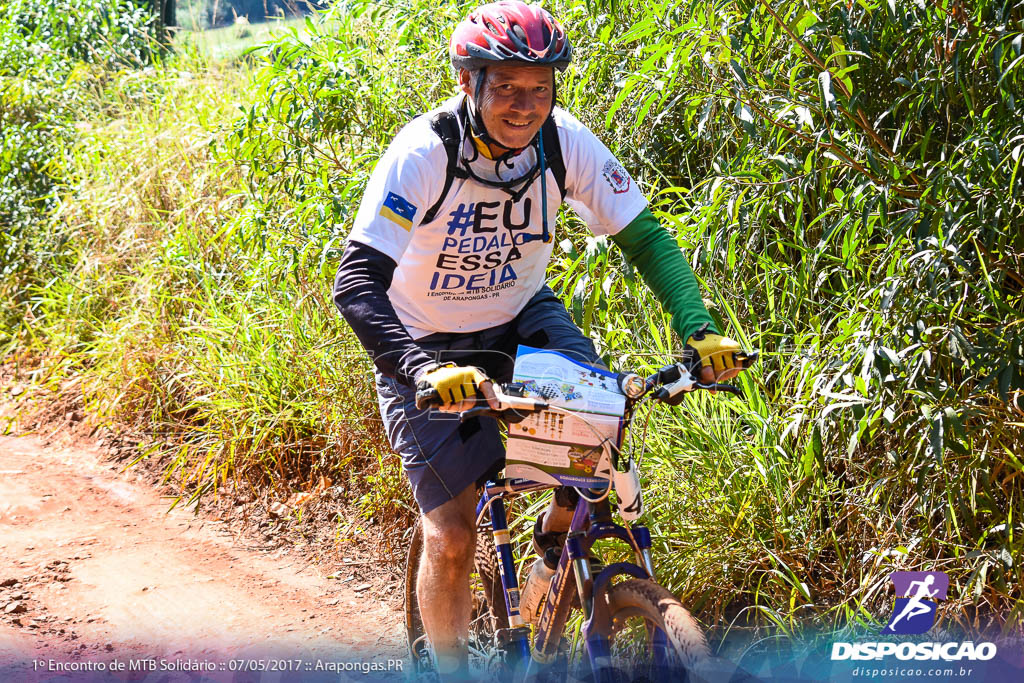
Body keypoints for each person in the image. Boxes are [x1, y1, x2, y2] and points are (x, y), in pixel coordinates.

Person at [333, 1, 748, 675]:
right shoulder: (423, 153)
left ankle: (556, 541)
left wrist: (698, 331)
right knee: (455, 534)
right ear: (469, 84)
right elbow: (356, 283)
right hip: (423, 342)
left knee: (599, 428)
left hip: (521, 314)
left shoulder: (564, 142)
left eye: (540, 89)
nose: (525, 106)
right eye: (505, 89)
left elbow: (645, 239)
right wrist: (416, 370)